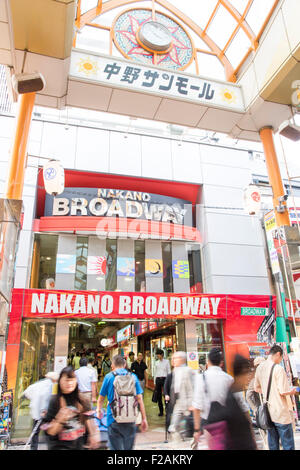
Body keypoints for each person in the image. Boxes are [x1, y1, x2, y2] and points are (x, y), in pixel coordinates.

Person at [97, 355, 148, 450]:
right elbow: (140, 399)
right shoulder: (133, 376)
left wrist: (99, 411)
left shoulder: (109, 377)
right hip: (130, 418)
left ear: (112, 365)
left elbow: (101, 398)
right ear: (125, 365)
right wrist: (144, 419)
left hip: (113, 419)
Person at [42, 366, 100, 450]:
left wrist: (94, 435)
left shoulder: (82, 400)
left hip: (80, 446)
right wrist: (60, 420)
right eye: (66, 380)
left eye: (72, 380)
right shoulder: (54, 401)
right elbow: (49, 431)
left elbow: (89, 418)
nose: (69, 383)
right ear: (60, 381)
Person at [254, 344, 297, 450]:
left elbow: (256, 388)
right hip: (280, 412)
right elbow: (283, 391)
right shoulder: (278, 369)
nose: (281, 360)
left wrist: (269, 392)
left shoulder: (260, 368)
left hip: (268, 413)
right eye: (281, 357)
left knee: (273, 444)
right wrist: (292, 391)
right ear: (278, 354)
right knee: (288, 445)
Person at [193, 348, 233, 443]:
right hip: (226, 422)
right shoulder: (229, 379)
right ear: (221, 363)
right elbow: (240, 404)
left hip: (209, 423)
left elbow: (197, 406)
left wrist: (197, 429)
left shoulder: (200, 378)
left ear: (208, 362)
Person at [224, 354, 257, 450]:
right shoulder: (233, 396)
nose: (249, 376)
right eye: (247, 372)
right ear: (242, 371)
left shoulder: (232, 392)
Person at [22, 371, 59, 450]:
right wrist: (43, 409)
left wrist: (33, 400)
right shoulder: (49, 385)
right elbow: (45, 398)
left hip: (36, 411)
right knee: (48, 431)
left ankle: (33, 448)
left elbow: (27, 392)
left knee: (35, 432)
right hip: (43, 412)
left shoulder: (39, 383)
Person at [164, 351, 194, 440]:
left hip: (186, 401)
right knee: (173, 426)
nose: (173, 360)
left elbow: (190, 388)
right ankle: (180, 437)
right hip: (177, 401)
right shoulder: (174, 371)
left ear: (182, 359)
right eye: (172, 358)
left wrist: (190, 403)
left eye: (175, 358)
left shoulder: (188, 371)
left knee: (187, 423)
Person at [154, 349, 171, 417]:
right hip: (158, 379)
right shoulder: (156, 362)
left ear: (162, 355)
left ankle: (167, 410)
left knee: (166, 395)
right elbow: (155, 372)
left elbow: (169, 371)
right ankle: (161, 411)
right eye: (157, 355)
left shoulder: (166, 362)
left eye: (158, 354)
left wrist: (169, 381)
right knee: (158, 396)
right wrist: (155, 381)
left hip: (165, 379)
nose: (158, 356)